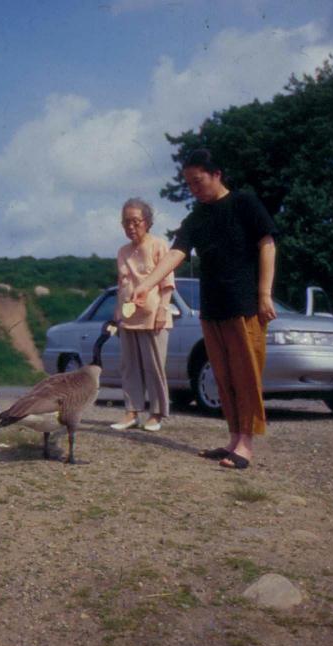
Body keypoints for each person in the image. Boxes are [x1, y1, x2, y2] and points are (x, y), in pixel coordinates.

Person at [132, 149, 276, 469]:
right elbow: (175, 253)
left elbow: (267, 244)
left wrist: (265, 294)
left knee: (246, 375)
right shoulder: (197, 217)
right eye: (189, 184)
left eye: (198, 182)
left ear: (216, 174)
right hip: (211, 308)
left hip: (245, 305)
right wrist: (146, 284)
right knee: (224, 378)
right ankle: (233, 438)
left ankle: (247, 445)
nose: (194, 189)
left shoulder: (244, 203)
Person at [109, 198, 175, 433]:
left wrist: (162, 310)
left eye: (135, 221)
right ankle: (131, 412)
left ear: (147, 222)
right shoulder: (122, 251)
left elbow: (167, 283)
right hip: (128, 318)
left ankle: (156, 414)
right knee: (129, 366)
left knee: (154, 367)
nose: (130, 227)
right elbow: (121, 284)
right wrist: (118, 310)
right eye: (126, 222)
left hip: (153, 316)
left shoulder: (159, 245)